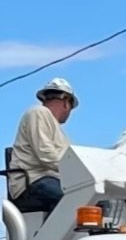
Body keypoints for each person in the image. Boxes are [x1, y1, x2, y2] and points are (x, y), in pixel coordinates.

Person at [7, 76, 79, 231]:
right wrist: (76, 172)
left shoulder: (56, 128)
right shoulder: (38, 113)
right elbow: (46, 154)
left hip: (48, 178)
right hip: (33, 180)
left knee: (86, 194)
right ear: (66, 102)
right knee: (71, 198)